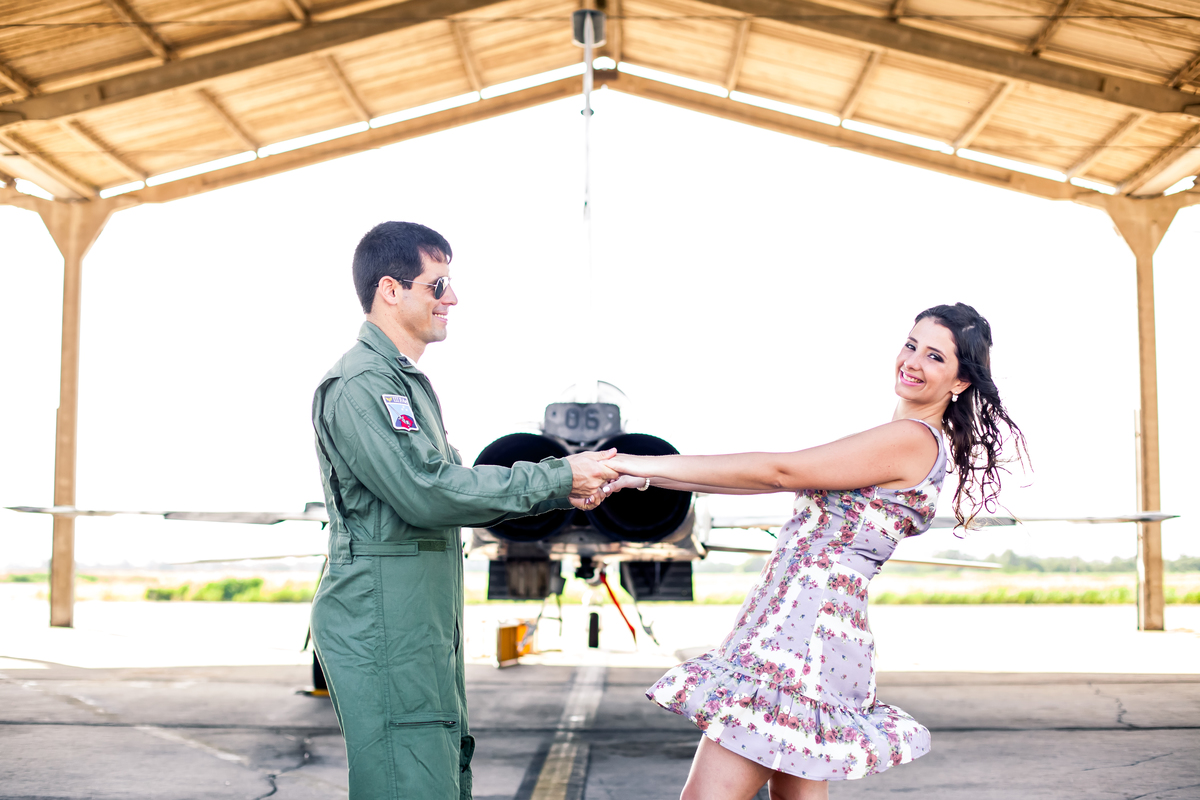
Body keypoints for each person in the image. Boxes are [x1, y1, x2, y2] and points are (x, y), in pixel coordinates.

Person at [597, 303, 1026, 800]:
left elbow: (780, 472)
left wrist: (636, 461)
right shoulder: (909, 440)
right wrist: (645, 478)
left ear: (960, 381)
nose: (912, 361)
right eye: (911, 345)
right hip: (808, 628)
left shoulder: (910, 439)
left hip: (799, 638)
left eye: (935, 356)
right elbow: (760, 483)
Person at [309, 221, 616, 800]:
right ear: (390, 290)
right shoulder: (362, 384)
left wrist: (563, 491)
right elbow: (429, 491)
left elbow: (446, 490)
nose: (452, 297)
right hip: (386, 624)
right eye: (438, 284)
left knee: (439, 772)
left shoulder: (402, 384)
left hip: (416, 621)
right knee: (410, 781)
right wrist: (558, 475)